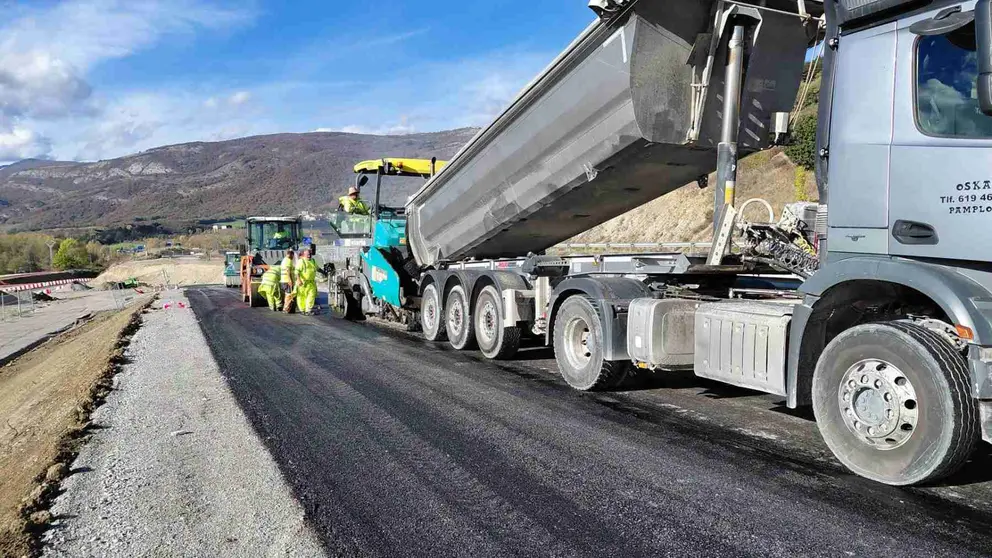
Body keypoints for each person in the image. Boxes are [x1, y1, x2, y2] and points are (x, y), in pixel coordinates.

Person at [296, 249, 319, 316]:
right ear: (303, 255)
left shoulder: (313, 261)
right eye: (307, 254)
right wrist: (298, 280)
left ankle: (308, 310)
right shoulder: (301, 261)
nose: (309, 256)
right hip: (303, 283)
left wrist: (323, 272)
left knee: (311, 296)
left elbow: (317, 268)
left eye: (310, 254)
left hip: (311, 283)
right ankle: (302, 310)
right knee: (301, 297)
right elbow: (297, 272)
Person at [280, 249, 296, 314]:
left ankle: (286, 308)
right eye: (292, 255)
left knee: (287, 294)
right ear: (291, 254)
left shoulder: (284, 260)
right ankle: (286, 308)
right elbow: (288, 270)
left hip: (284, 280)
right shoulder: (288, 261)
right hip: (287, 280)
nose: (293, 257)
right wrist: (290, 280)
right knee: (289, 295)